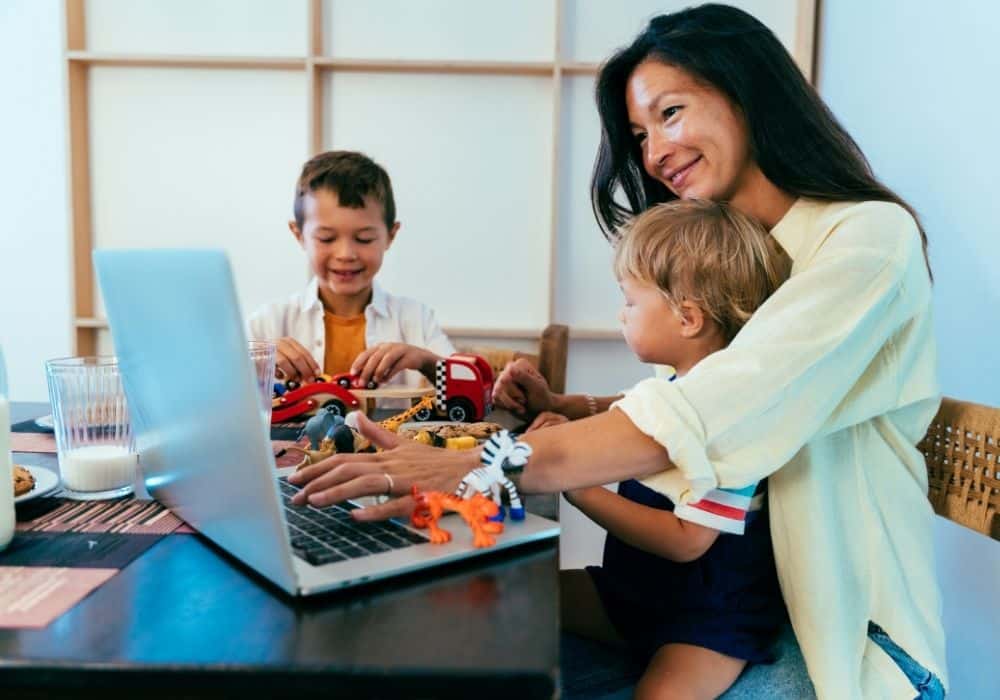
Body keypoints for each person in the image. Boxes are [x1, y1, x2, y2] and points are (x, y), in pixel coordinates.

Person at [288, 5, 948, 698]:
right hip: (693, 606)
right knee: (450, 627)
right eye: (639, 134)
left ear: (749, 92)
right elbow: (683, 399)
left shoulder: (867, 241)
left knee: (471, 661)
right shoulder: (736, 252)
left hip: (826, 638)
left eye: (670, 113)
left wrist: (479, 464)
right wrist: (572, 408)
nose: (654, 151)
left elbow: (715, 409)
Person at [544, 199, 790, 698]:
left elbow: (687, 540)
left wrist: (584, 492)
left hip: (705, 621)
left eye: (630, 302)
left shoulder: (733, 416)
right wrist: (565, 418)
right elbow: (625, 418)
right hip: (632, 594)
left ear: (688, 318)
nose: (621, 313)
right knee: (521, 600)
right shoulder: (672, 388)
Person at [248, 150, 454, 392]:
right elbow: (212, 393)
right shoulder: (270, 322)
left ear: (390, 235)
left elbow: (466, 388)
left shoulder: (415, 320)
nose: (345, 254)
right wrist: (255, 361)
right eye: (326, 238)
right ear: (299, 235)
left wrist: (426, 361)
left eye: (364, 239)